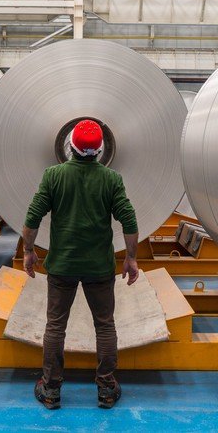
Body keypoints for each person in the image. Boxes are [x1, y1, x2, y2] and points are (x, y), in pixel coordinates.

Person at [21, 119, 139, 410]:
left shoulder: (53, 175)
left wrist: (28, 251)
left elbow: (32, 218)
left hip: (62, 265)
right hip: (99, 267)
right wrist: (131, 258)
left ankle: (50, 389)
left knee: (55, 327)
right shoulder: (112, 179)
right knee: (105, 326)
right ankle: (106, 389)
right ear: (100, 150)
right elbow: (130, 220)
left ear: (70, 145)